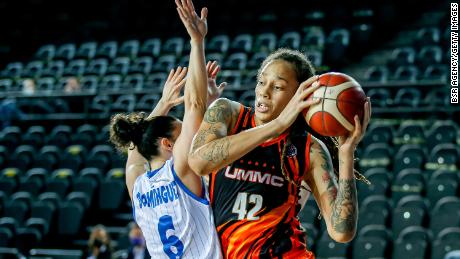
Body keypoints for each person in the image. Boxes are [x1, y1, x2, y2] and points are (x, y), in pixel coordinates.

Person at [189, 48, 371, 258]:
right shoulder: (229, 114)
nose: (264, 92)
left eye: (277, 86)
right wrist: (278, 124)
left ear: (299, 96)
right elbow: (198, 162)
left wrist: (346, 155)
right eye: (261, 82)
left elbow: (341, 232)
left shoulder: (309, 149)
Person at [109, 0, 222, 257]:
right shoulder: (180, 170)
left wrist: (164, 104)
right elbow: (194, 104)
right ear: (168, 144)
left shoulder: (138, 187)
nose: (193, 137)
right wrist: (196, 42)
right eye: (184, 134)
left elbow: (134, 153)